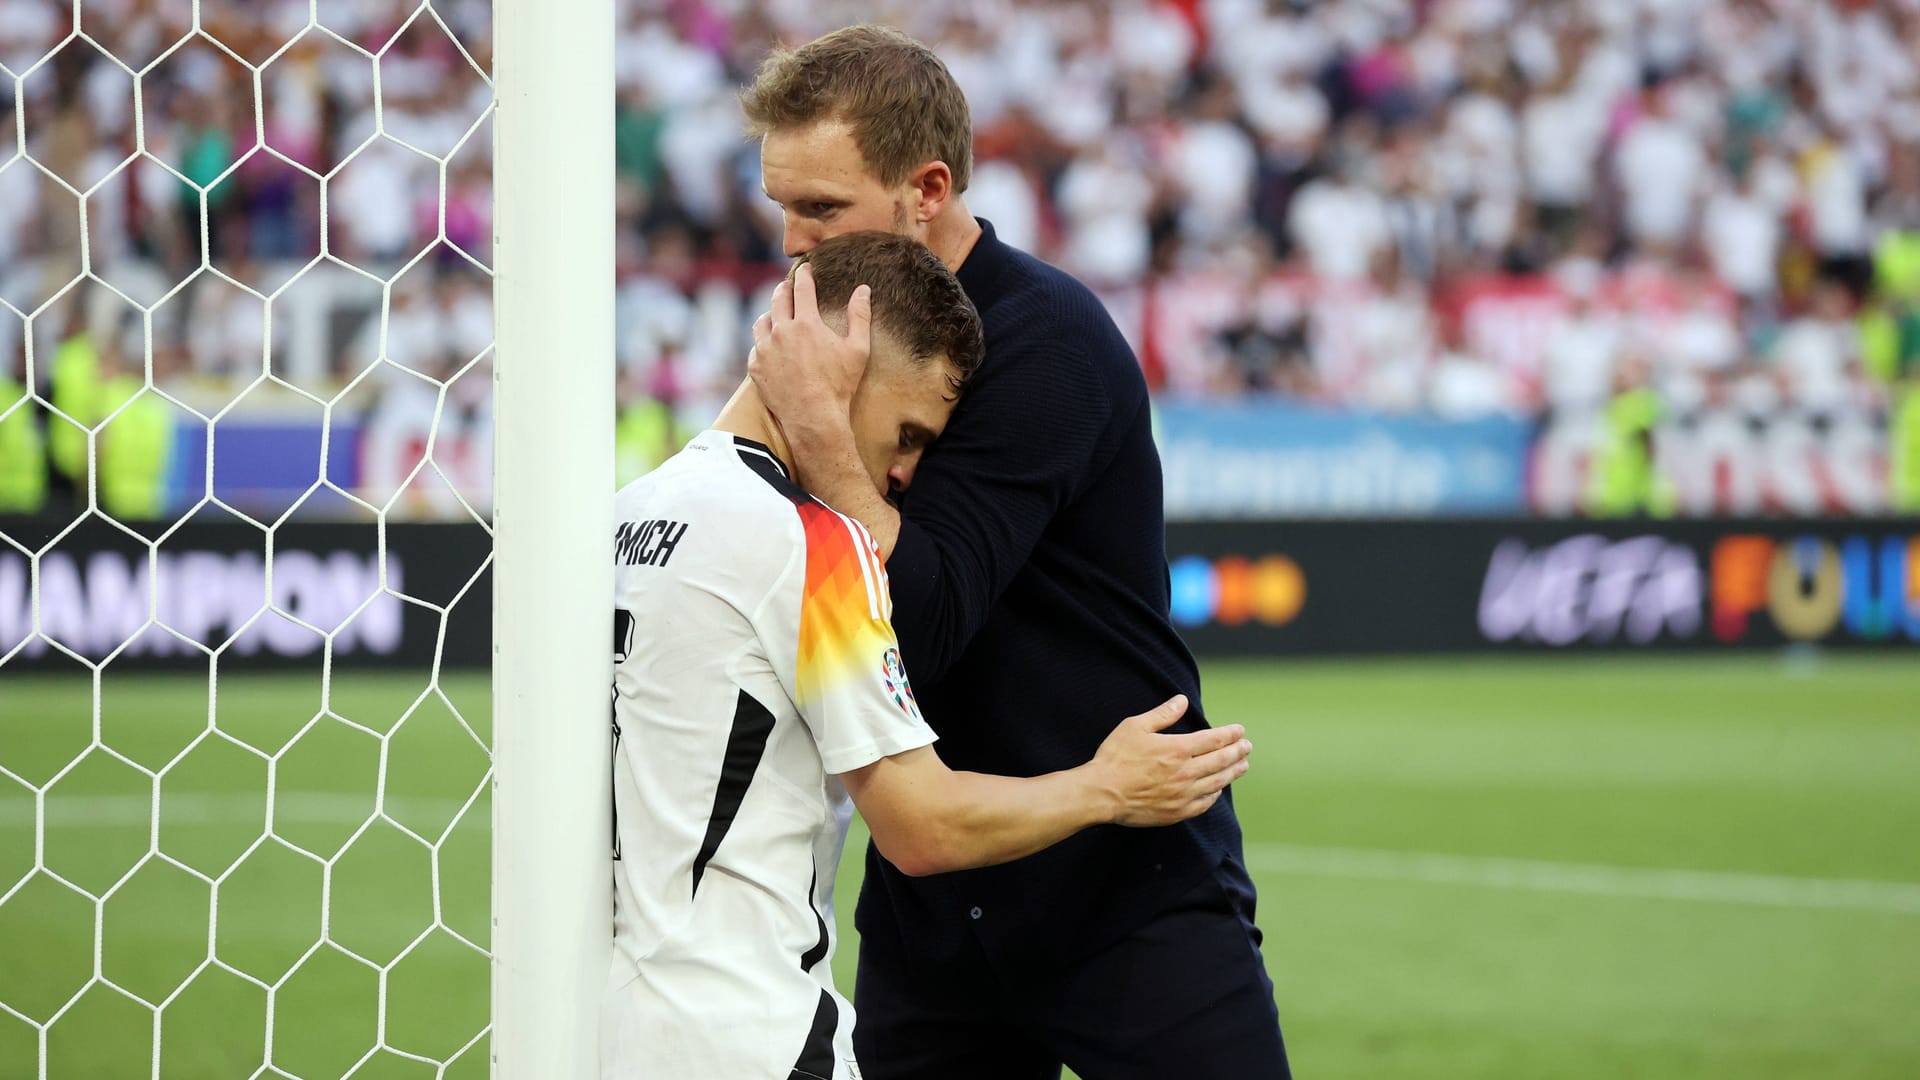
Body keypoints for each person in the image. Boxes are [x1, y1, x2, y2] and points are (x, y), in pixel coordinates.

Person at [741, 25, 1291, 1079]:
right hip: (937, 898)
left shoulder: (1045, 341)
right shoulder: (832, 328)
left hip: (1125, 881)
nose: (793, 243)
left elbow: (927, 614)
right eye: (782, 207)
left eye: (820, 207)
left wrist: (820, 437)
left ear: (927, 189)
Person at [604, 231, 1253, 1080]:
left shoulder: (625, 516)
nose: (907, 472)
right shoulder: (815, 545)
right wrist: (1107, 786)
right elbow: (920, 825)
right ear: (848, 360)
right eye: (909, 433)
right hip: (746, 1032)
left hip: (606, 1027)